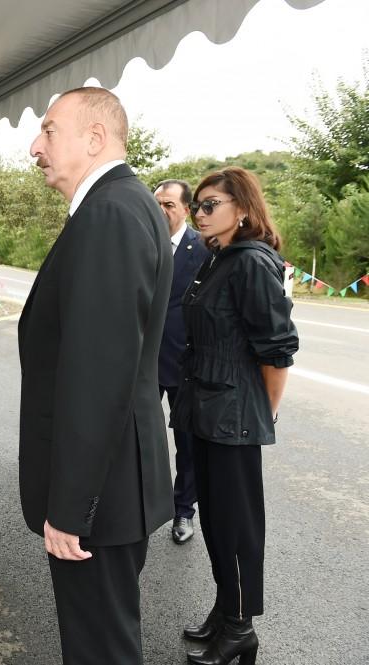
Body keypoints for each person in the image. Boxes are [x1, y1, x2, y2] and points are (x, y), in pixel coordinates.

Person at [18, 87, 174, 665]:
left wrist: (70, 508)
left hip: (101, 497)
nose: (36, 147)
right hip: (111, 487)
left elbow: (98, 374)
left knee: (100, 649)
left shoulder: (109, 212)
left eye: (49, 130)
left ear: (94, 138)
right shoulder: (122, 205)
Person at [171, 167, 298, 665]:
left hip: (234, 419)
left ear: (241, 209)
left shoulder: (252, 263)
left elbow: (278, 351)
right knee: (217, 523)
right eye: (197, 206)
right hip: (206, 411)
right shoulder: (218, 258)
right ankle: (227, 612)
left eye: (210, 205)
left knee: (237, 527)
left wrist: (262, 414)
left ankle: (241, 628)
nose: (199, 214)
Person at [154, 180, 210, 543]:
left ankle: (184, 511)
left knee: (187, 442)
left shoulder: (203, 248)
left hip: (185, 363)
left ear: (186, 209)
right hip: (143, 360)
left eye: (169, 205)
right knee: (136, 436)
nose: (161, 210)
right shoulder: (141, 241)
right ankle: (136, 506)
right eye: (156, 203)